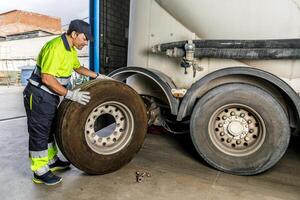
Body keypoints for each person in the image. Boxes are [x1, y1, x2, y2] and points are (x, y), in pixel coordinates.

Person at [23, 19, 109, 185]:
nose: (86, 43)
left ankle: (51, 160)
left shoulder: (70, 49)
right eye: (85, 39)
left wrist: (97, 76)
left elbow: (77, 67)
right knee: (39, 131)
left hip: (50, 96)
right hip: (39, 94)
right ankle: (39, 170)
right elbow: (47, 78)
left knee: (49, 129)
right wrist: (71, 95)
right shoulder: (55, 48)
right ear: (74, 34)